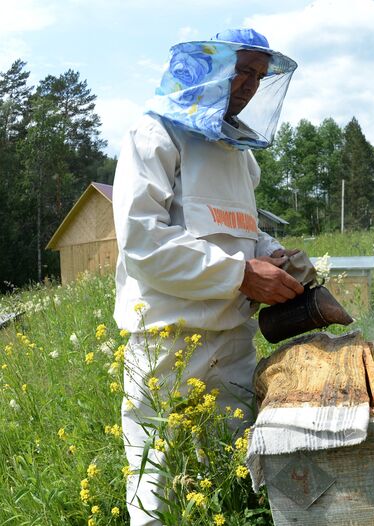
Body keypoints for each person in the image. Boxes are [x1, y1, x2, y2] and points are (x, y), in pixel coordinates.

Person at [112, 29, 303, 525]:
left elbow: (243, 227)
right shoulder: (154, 133)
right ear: (207, 66)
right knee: (156, 469)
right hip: (167, 337)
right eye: (241, 70)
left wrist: (274, 254)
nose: (249, 86)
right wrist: (241, 275)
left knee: (231, 466)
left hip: (232, 335)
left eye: (259, 77)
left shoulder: (238, 151)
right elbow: (142, 242)